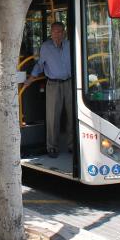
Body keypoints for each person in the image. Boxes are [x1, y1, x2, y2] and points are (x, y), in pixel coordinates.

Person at [25, 22, 73, 157]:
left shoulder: (69, 45)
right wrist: (30, 79)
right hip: (53, 85)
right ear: (51, 33)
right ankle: (52, 147)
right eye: (55, 31)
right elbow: (40, 65)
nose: (58, 34)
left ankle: (71, 145)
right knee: (53, 117)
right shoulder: (45, 47)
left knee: (72, 115)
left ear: (64, 33)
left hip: (69, 83)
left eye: (60, 31)